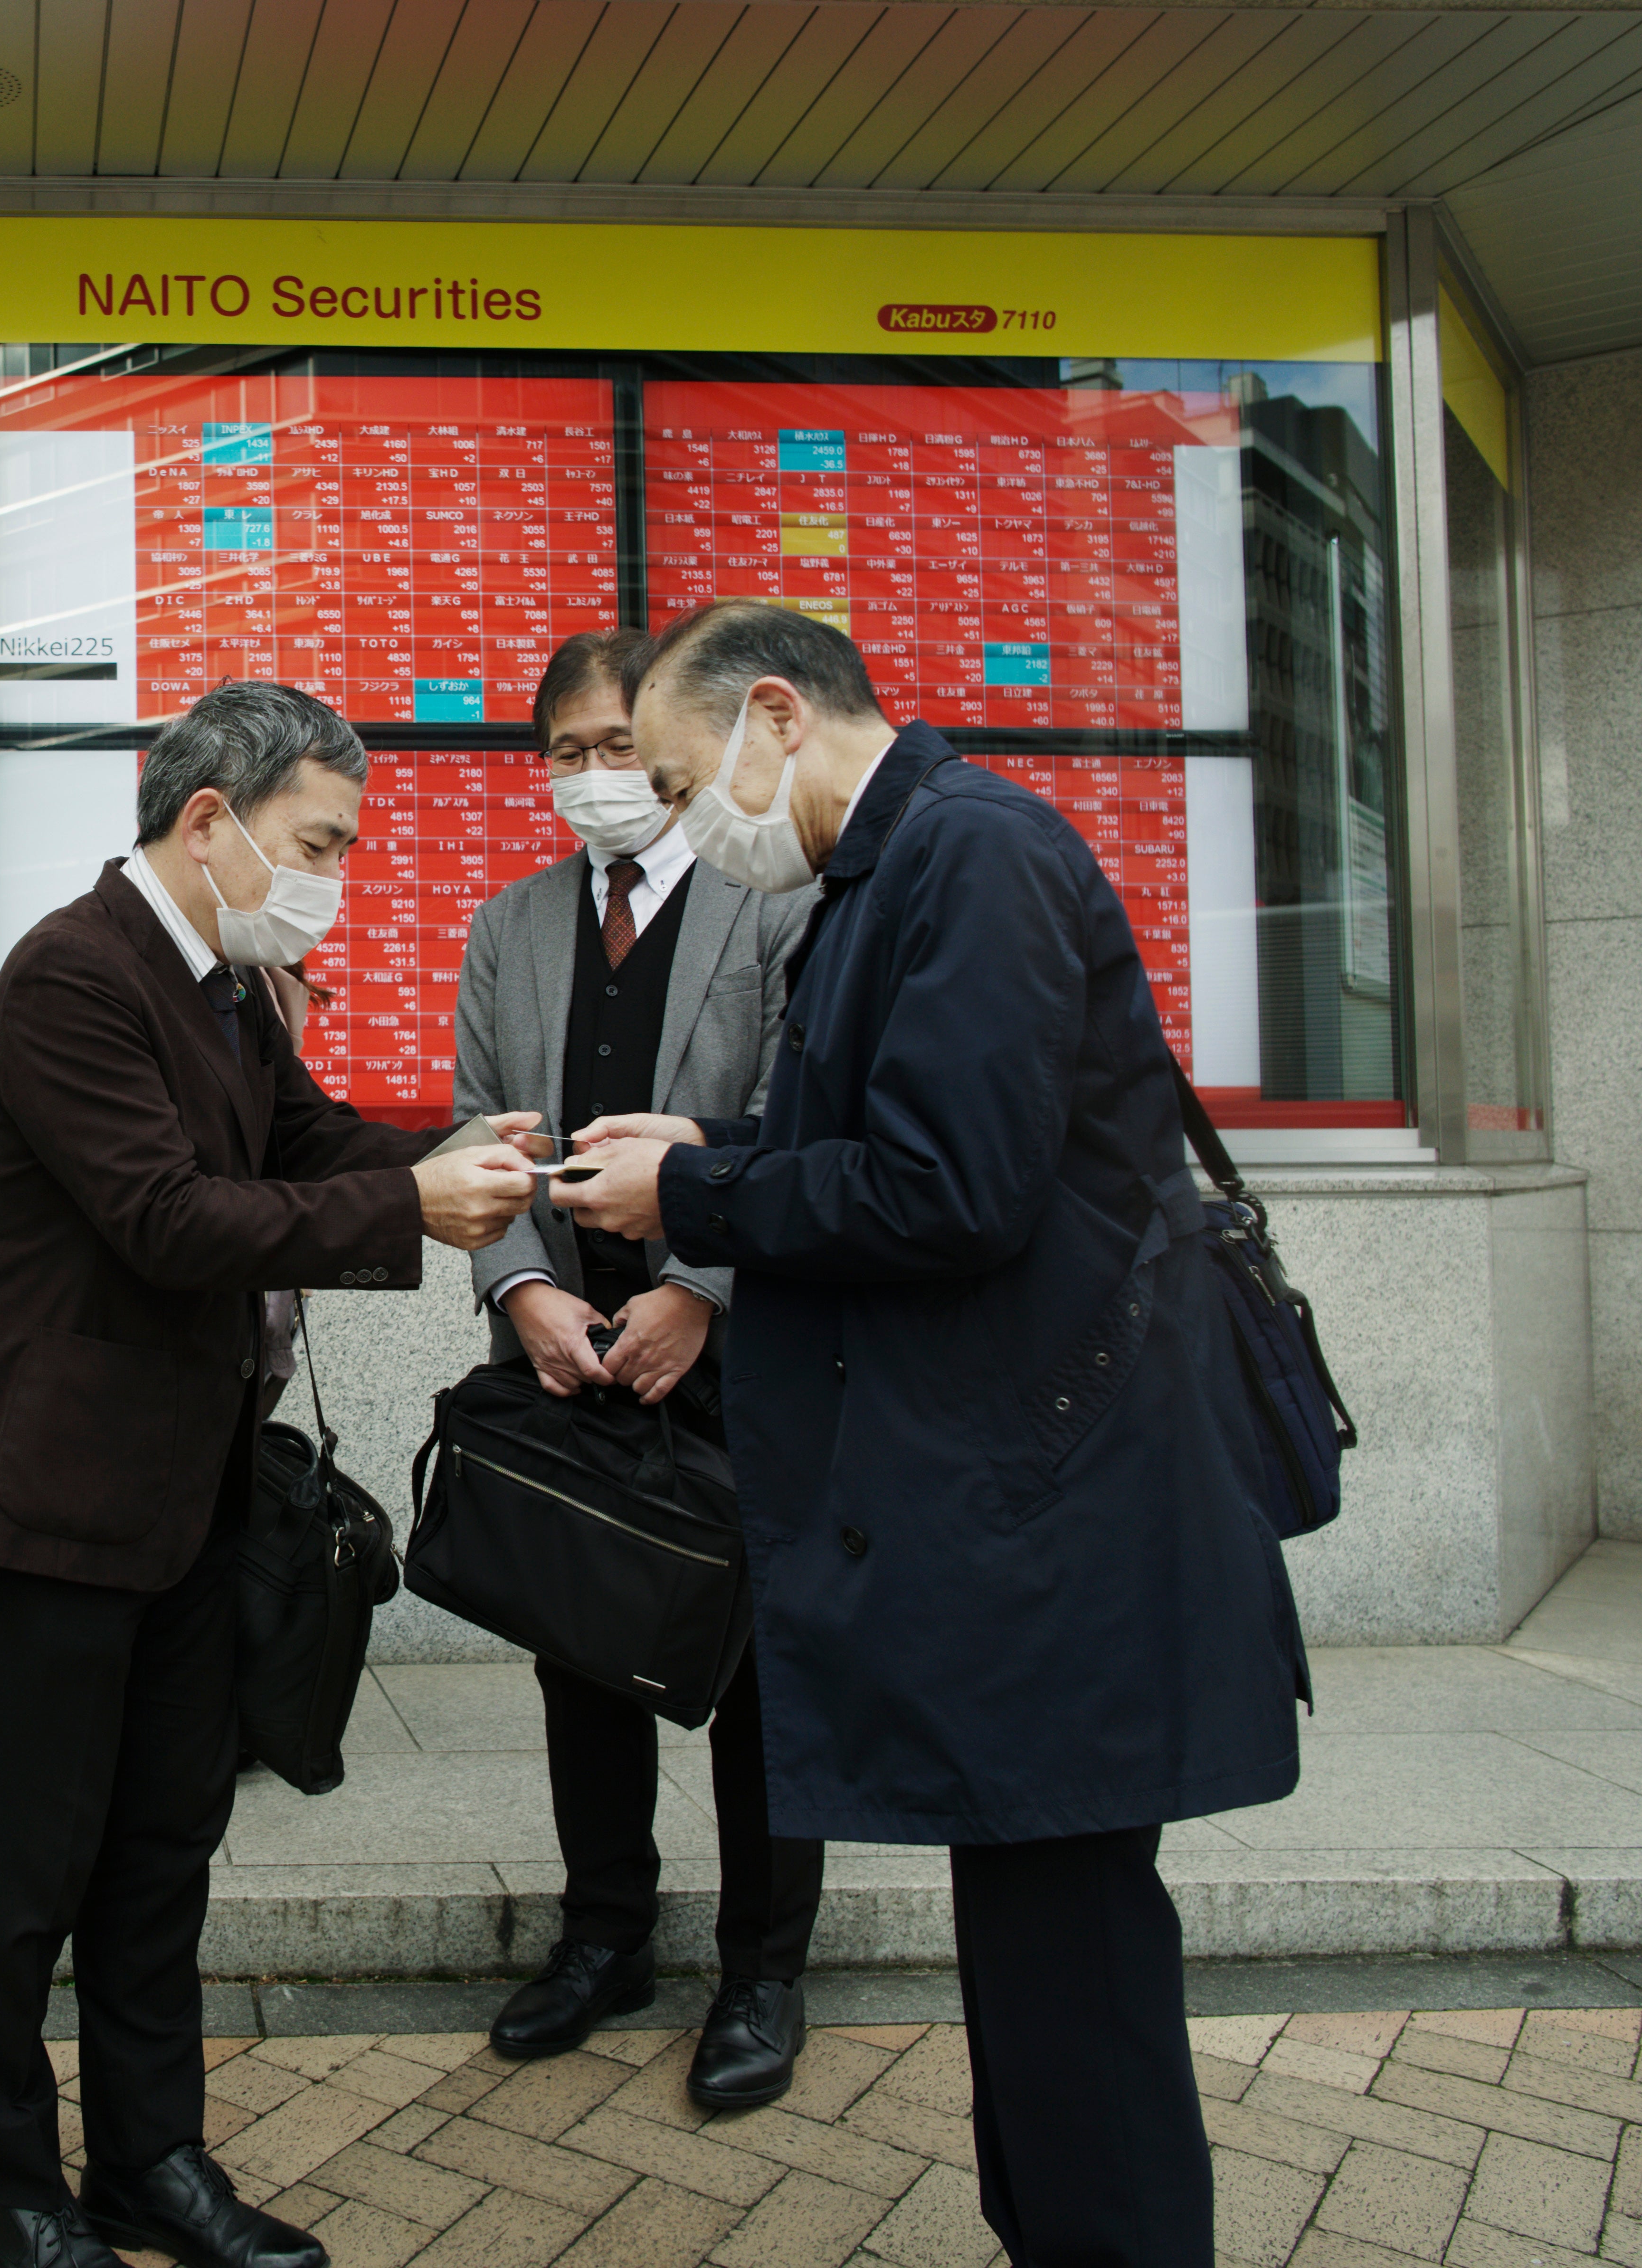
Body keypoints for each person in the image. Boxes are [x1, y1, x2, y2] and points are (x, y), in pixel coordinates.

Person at [550, 602, 1307, 2261]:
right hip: (1026, 1508)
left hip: (1067, 1523)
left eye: (680, 782)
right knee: (1037, 1959)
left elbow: (947, 1186)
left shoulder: (974, 858)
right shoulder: (894, 872)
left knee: (1077, 1972)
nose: (682, 822)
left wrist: (696, 1185)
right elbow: (909, 1136)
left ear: (772, 715)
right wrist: (717, 1140)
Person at [0, 681, 537, 2268]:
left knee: (163, 1848)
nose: (334, 874)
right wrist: (415, 1204)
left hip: (194, 1486)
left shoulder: (233, 982)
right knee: (26, 1866)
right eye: (315, 841)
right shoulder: (74, 974)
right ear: (208, 822)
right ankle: (9, 2191)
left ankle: (153, 2162)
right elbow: (172, 1221)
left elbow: (309, 1141)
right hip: (53, 1497)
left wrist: (492, 1152)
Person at [449, 627, 825, 2106]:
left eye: (620, 749)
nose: (597, 780)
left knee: (761, 1677)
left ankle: (762, 1970)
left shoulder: (772, 908)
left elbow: (802, 1125)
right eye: (567, 754)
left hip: (733, 1346)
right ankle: (605, 1936)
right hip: (562, 1348)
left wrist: (699, 1296)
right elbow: (480, 1124)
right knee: (581, 1646)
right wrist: (525, 1286)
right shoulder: (513, 923)